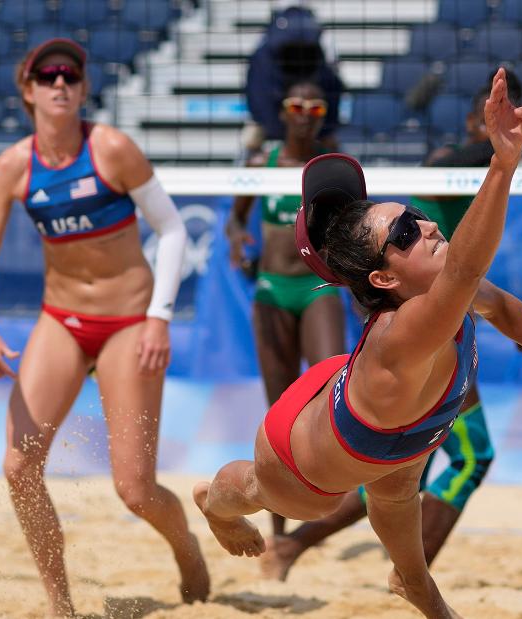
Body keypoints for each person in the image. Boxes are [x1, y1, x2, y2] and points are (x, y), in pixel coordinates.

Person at [194, 69, 522, 618]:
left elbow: (508, 309)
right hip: (304, 455)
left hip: (393, 437)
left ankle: (420, 590)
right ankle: (210, 503)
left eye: (415, 218)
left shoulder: (446, 302)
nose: (423, 227)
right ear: (384, 279)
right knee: (258, 489)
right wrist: (501, 164)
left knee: (401, 506)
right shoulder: (408, 326)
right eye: (403, 235)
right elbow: (467, 268)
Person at [259, 70, 522, 581]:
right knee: (453, 460)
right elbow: (465, 251)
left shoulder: (457, 200)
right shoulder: (443, 164)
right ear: (474, 121)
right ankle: (395, 570)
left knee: (398, 469)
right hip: (424, 338)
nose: (422, 224)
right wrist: (514, 142)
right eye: (487, 119)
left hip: (442, 330)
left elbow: (482, 287)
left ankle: (305, 547)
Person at [0, 38, 209, 616]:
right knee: (19, 465)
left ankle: (187, 548)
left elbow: (172, 231)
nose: (59, 84)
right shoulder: (13, 168)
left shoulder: (111, 149)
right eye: (47, 75)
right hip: (64, 320)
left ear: (82, 87)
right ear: (27, 90)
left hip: (130, 322)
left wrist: (159, 319)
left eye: (69, 74)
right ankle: (61, 605)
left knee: (136, 491)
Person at [227, 80, 346, 538]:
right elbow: (235, 218)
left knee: (331, 390)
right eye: (295, 104)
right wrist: (238, 239)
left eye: (314, 106)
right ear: (283, 111)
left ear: (321, 114)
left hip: (317, 287)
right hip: (273, 288)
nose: (304, 112)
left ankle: (325, 501)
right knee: (278, 406)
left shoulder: (328, 167)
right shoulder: (263, 163)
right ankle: (278, 526)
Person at [243, 5, 343, 153]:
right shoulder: (264, 57)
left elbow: (332, 92)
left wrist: (325, 130)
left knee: (333, 151)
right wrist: (272, 125)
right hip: (270, 119)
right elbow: (257, 96)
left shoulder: (323, 54)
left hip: (313, 120)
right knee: (251, 142)